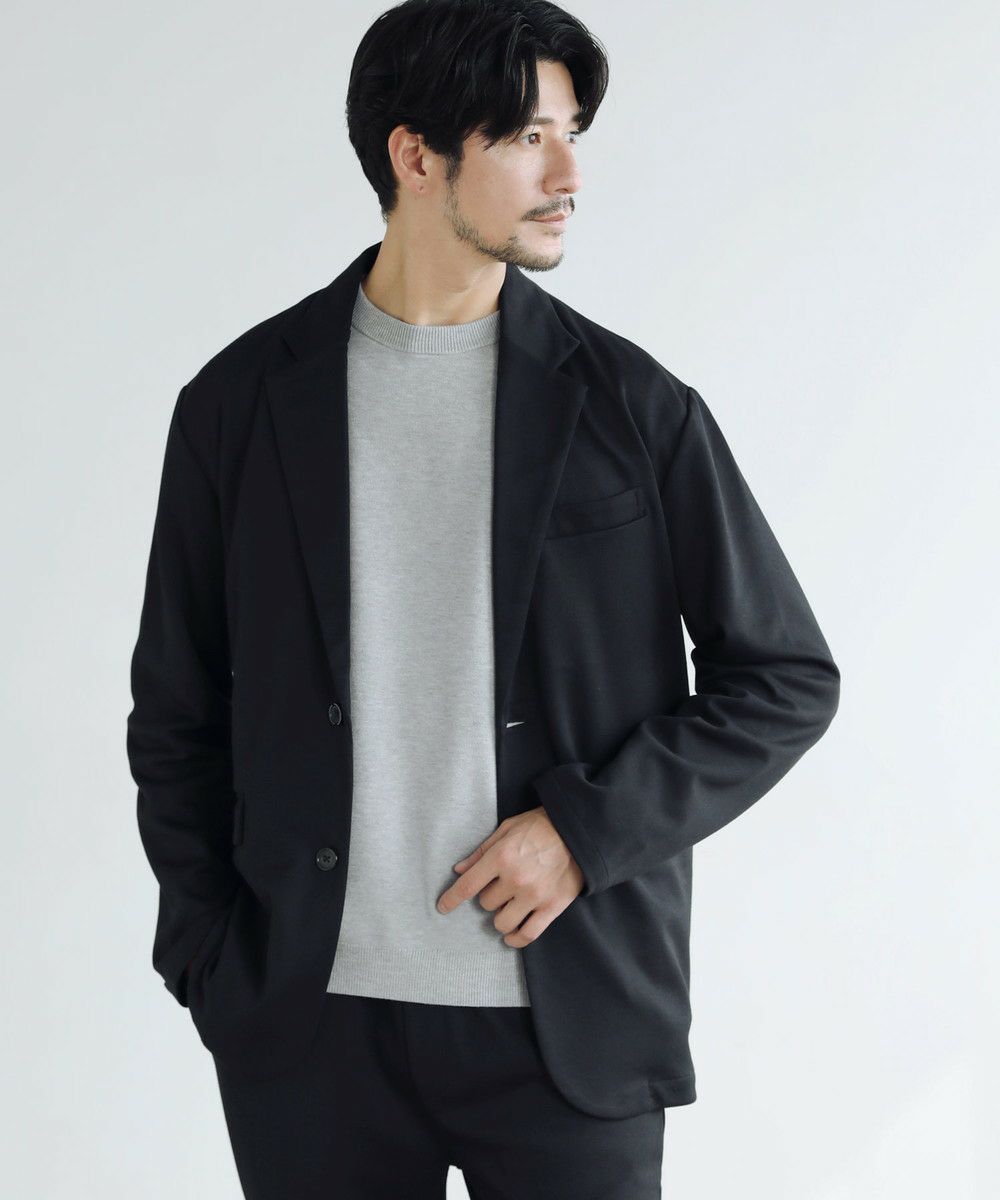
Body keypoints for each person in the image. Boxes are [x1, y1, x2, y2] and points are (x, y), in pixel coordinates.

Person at [127, 2, 840, 1196]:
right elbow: (176, 711)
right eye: (523, 138)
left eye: (571, 134)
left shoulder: (632, 408)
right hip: (310, 1036)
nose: (568, 176)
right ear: (415, 158)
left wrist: (583, 831)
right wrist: (210, 957)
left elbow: (782, 679)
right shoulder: (240, 406)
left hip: (569, 1021)